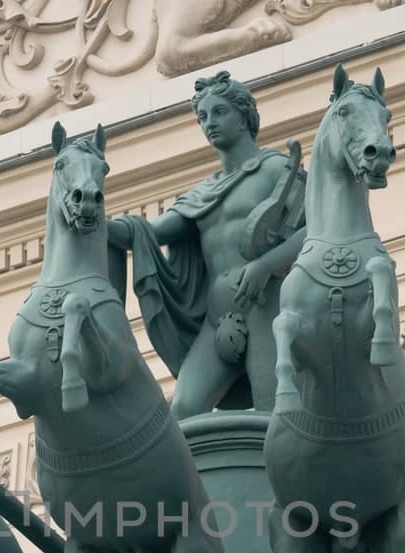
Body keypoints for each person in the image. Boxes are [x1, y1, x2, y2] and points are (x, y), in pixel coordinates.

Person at [107, 71, 305, 415]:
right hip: (218, 318)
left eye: (219, 112)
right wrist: (94, 220)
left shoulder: (276, 170)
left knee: (273, 412)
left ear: (243, 117)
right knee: (183, 410)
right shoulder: (202, 194)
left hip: (265, 309)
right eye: (202, 117)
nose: (209, 123)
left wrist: (265, 266)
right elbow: (147, 235)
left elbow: (316, 228)